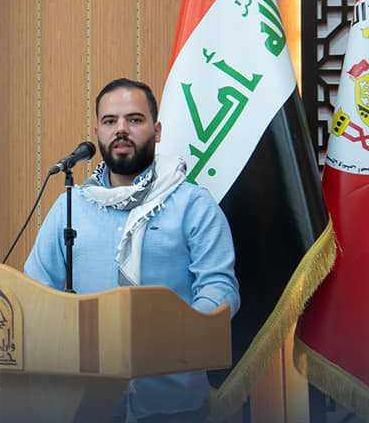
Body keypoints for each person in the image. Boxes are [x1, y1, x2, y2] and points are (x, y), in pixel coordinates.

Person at [24, 78, 240, 423]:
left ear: (157, 131)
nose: (121, 129)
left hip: (173, 404)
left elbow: (220, 287)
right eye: (110, 121)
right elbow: (34, 292)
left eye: (134, 119)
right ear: (97, 132)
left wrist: (181, 335)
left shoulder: (193, 204)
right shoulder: (71, 207)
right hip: (84, 403)